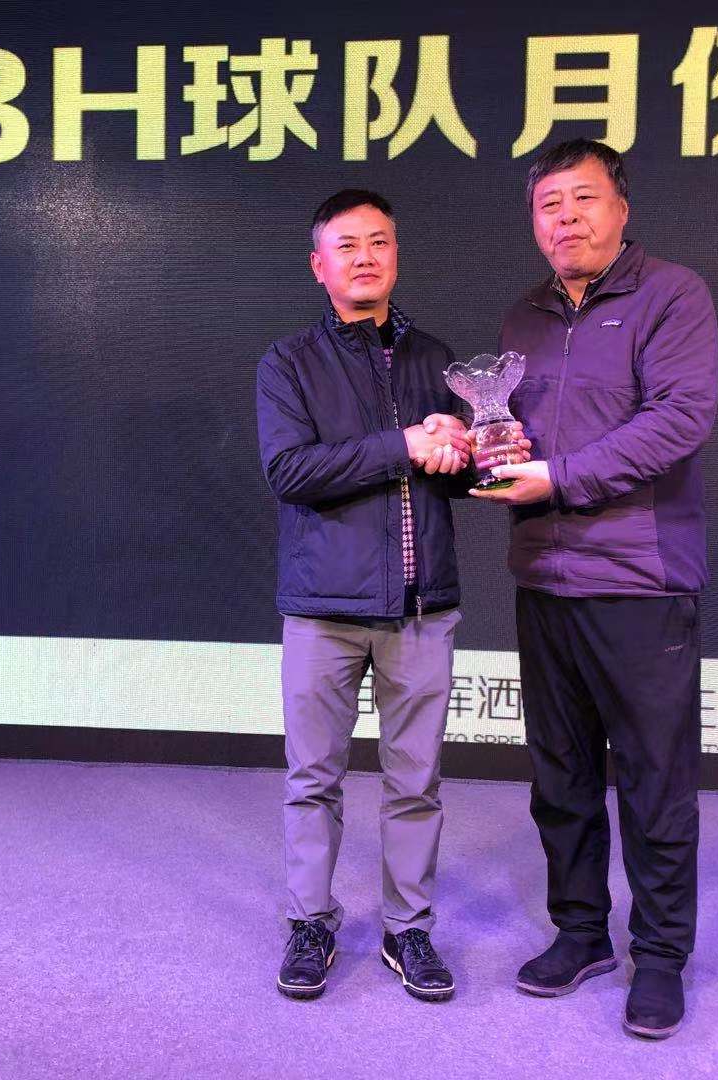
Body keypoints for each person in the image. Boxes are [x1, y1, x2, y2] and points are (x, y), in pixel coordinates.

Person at [472, 139, 718, 1038]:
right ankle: (580, 933)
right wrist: (479, 446)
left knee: (655, 781)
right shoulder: (524, 317)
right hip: (544, 575)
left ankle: (661, 957)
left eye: (584, 198)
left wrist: (558, 478)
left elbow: (680, 420)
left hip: (639, 578)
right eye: (549, 204)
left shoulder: (672, 295)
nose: (566, 217)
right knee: (561, 774)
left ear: (621, 209)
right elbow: (515, 435)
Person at [256, 189, 474, 1002]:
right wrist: (405, 443)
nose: (364, 257)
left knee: (416, 785)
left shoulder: (437, 359)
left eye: (379, 242)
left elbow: (450, 478)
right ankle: (310, 923)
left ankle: (407, 929)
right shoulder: (288, 362)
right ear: (320, 266)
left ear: (396, 255)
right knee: (312, 780)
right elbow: (290, 472)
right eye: (346, 246)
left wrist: (469, 452)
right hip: (323, 610)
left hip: (422, 608)